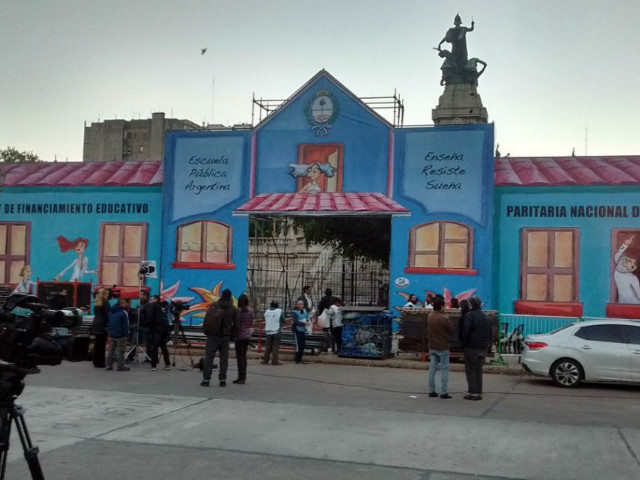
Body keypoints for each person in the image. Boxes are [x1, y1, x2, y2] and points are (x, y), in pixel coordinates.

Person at [201, 289, 237, 387]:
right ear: (230, 297)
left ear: (221, 295)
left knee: (209, 357)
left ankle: (206, 379)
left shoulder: (214, 305)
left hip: (213, 335)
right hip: (225, 336)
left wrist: (207, 331)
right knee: (224, 358)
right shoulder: (233, 309)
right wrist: (232, 336)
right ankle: (222, 380)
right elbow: (236, 325)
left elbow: (207, 319)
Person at [460, 296, 492, 401]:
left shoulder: (469, 316)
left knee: (471, 369)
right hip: (483, 347)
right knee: (479, 369)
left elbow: (466, 331)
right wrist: (488, 345)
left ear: (471, 305)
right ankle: (478, 390)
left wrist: (464, 344)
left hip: (472, 347)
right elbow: (490, 332)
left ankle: (473, 392)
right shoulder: (486, 316)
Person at [427, 297, 454, 399]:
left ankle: (431, 390)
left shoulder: (429, 316)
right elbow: (451, 330)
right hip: (443, 346)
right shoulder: (444, 318)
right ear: (441, 307)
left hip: (432, 346)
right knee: (444, 370)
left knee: (432, 369)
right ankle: (443, 392)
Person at [233, 294, 254, 384]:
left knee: (239, 357)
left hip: (239, 336)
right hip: (247, 336)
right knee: (244, 356)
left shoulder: (238, 311)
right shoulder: (250, 311)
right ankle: (243, 376)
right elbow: (250, 323)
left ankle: (240, 376)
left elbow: (236, 324)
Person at [614, 235, 640, 304]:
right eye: (627, 261)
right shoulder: (618, 262)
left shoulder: (632, 277)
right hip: (622, 302)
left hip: (634, 304)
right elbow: (618, 253)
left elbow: (639, 294)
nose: (629, 264)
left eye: (632, 265)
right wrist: (625, 244)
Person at [106, 298, 131, 371]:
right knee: (120, 350)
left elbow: (109, 322)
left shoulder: (112, 312)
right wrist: (126, 334)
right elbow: (125, 325)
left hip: (112, 333)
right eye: (125, 303)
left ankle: (109, 365)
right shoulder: (123, 313)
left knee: (111, 350)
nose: (126, 304)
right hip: (121, 334)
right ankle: (120, 366)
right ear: (122, 304)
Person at [148, 295, 171, 371]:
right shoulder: (163, 306)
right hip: (166, 327)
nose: (150, 301)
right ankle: (167, 364)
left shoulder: (154, 305)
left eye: (151, 299)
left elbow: (150, 316)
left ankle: (153, 365)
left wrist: (149, 326)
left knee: (155, 346)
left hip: (157, 327)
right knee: (163, 346)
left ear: (155, 299)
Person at [92, 288, 110, 368]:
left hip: (96, 324)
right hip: (103, 324)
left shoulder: (97, 302)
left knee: (97, 344)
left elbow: (96, 313)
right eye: (107, 294)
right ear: (105, 294)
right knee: (102, 345)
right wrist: (109, 325)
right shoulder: (105, 302)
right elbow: (107, 314)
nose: (108, 295)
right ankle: (101, 363)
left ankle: (96, 361)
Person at [262, 301, 285, 365]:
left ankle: (265, 360)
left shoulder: (266, 312)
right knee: (275, 347)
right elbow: (283, 320)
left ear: (270, 305)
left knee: (268, 347)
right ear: (277, 305)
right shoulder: (280, 311)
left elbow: (264, 319)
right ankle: (275, 361)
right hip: (276, 331)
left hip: (268, 331)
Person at [291, 299, 308, 364]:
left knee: (302, 344)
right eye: (299, 304)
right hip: (297, 329)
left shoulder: (304, 311)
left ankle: (300, 358)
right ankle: (297, 359)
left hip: (303, 329)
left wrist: (307, 322)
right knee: (298, 344)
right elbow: (295, 322)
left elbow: (306, 318)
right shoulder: (294, 312)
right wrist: (304, 323)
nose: (300, 305)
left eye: (301, 304)